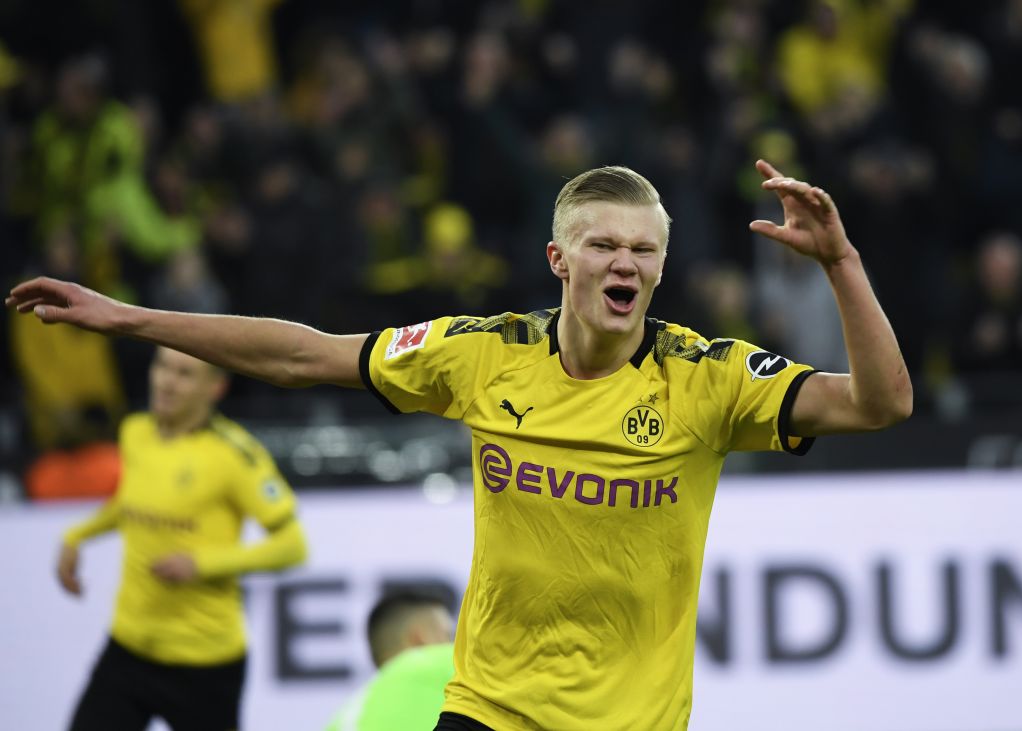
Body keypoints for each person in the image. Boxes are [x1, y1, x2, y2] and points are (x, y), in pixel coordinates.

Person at [9, 160, 912, 730]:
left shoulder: (706, 378)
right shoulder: (483, 354)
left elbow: (882, 404)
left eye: (643, 248)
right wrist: (128, 318)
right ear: (560, 261)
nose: (625, 262)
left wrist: (842, 265)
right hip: (488, 708)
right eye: (602, 244)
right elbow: (301, 354)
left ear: (663, 267)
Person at [54, 346, 309, 731]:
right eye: (162, 367)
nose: (166, 382)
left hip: (205, 663)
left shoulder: (235, 456)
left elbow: (293, 546)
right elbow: (132, 503)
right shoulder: (134, 431)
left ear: (216, 387)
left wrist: (202, 564)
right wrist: (77, 536)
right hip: (128, 648)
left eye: (185, 374)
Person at [325, 591, 456, 731]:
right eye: (448, 635)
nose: (453, 645)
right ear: (419, 639)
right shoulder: (448, 667)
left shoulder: (344, 720)